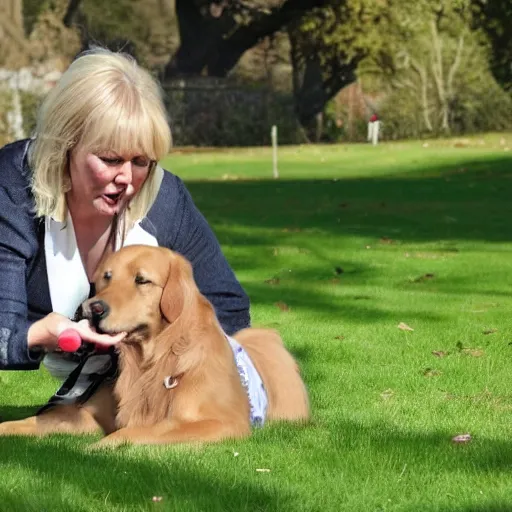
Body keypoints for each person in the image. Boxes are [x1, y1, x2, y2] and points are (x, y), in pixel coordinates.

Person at [0, 47, 250, 402]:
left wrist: (162, 366)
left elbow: (229, 310)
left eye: (141, 161)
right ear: (65, 145)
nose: (127, 179)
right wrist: (39, 335)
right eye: (110, 159)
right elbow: (2, 329)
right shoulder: (12, 186)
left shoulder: (165, 199)